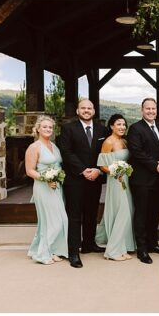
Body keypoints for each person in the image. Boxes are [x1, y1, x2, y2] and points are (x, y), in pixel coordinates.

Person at [56, 99, 108, 268]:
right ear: (78, 111)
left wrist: (98, 171)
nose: (86, 111)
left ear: (94, 111)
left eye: (89, 108)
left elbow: (106, 153)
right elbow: (66, 152)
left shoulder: (102, 129)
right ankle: (73, 251)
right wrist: (83, 170)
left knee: (91, 213)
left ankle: (89, 244)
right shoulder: (68, 128)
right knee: (75, 215)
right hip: (75, 179)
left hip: (95, 178)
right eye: (83, 108)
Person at [126, 98, 159, 263]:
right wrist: (154, 165)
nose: (151, 111)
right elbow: (136, 151)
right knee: (142, 214)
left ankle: (153, 243)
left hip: (158, 179)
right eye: (147, 109)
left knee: (155, 213)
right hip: (141, 179)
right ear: (142, 110)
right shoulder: (135, 128)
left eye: (153, 109)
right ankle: (142, 249)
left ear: (156, 110)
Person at [25, 116, 69, 265]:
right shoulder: (34, 147)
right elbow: (30, 171)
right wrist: (46, 179)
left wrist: (56, 179)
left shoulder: (54, 146)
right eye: (44, 127)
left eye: (50, 127)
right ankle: (42, 254)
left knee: (53, 221)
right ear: (37, 129)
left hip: (56, 187)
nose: (48, 129)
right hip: (43, 188)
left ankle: (53, 250)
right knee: (56, 220)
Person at [95, 114, 136, 261]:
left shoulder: (124, 141)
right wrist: (115, 171)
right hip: (116, 180)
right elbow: (102, 164)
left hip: (126, 180)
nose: (122, 127)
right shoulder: (108, 142)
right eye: (118, 124)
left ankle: (122, 246)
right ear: (112, 126)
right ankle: (113, 251)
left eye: (124, 124)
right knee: (122, 212)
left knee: (128, 212)